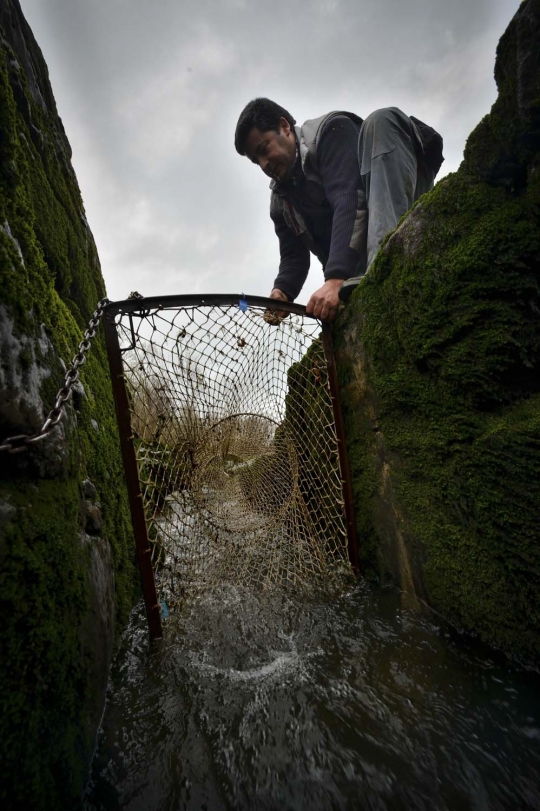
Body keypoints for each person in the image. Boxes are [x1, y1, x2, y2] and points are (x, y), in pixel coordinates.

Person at [234, 98, 443, 321]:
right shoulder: (280, 200)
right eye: (256, 161)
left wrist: (334, 279)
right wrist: (282, 291)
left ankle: (385, 267)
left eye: (264, 150)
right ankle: (365, 277)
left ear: (285, 127)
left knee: (382, 120)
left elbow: (349, 199)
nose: (264, 164)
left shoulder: (332, 131)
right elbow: (293, 256)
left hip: (402, 211)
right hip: (355, 267)